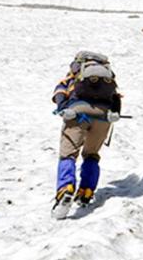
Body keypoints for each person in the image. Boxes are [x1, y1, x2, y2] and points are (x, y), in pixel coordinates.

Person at [51, 50, 122, 218]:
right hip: (103, 116)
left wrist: (62, 108)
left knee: (68, 153)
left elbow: (60, 90)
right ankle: (86, 190)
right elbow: (116, 97)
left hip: (77, 112)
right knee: (92, 154)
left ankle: (65, 189)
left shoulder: (75, 73)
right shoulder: (108, 76)